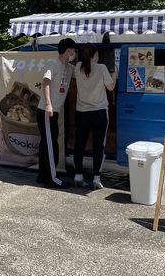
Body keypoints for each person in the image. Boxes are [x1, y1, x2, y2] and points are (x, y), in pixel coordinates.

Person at [73, 43, 117, 189]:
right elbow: (110, 87)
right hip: (99, 113)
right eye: (97, 54)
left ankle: (78, 175)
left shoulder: (78, 67)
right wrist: (114, 76)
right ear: (95, 55)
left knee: (80, 144)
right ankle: (96, 178)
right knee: (99, 146)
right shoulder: (101, 68)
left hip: (82, 112)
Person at [36, 37, 77, 188]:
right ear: (68, 51)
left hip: (54, 112)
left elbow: (81, 73)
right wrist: (48, 104)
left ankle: (42, 176)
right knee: (51, 145)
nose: (74, 53)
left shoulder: (69, 67)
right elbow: (46, 82)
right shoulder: (53, 64)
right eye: (73, 51)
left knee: (46, 144)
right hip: (47, 111)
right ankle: (53, 179)